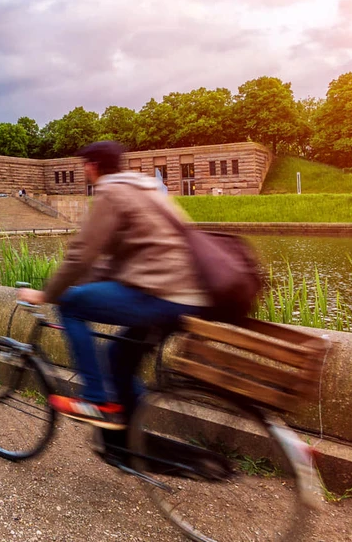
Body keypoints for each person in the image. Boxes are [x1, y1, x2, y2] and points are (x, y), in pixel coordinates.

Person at [16, 141, 208, 432]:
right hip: (190, 295)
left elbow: (81, 256)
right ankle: (135, 438)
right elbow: (114, 261)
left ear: (92, 166)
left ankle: (96, 399)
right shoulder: (145, 188)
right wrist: (88, 282)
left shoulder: (110, 191)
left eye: (84, 165)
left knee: (69, 305)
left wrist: (46, 295)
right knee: (117, 358)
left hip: (160, 295)